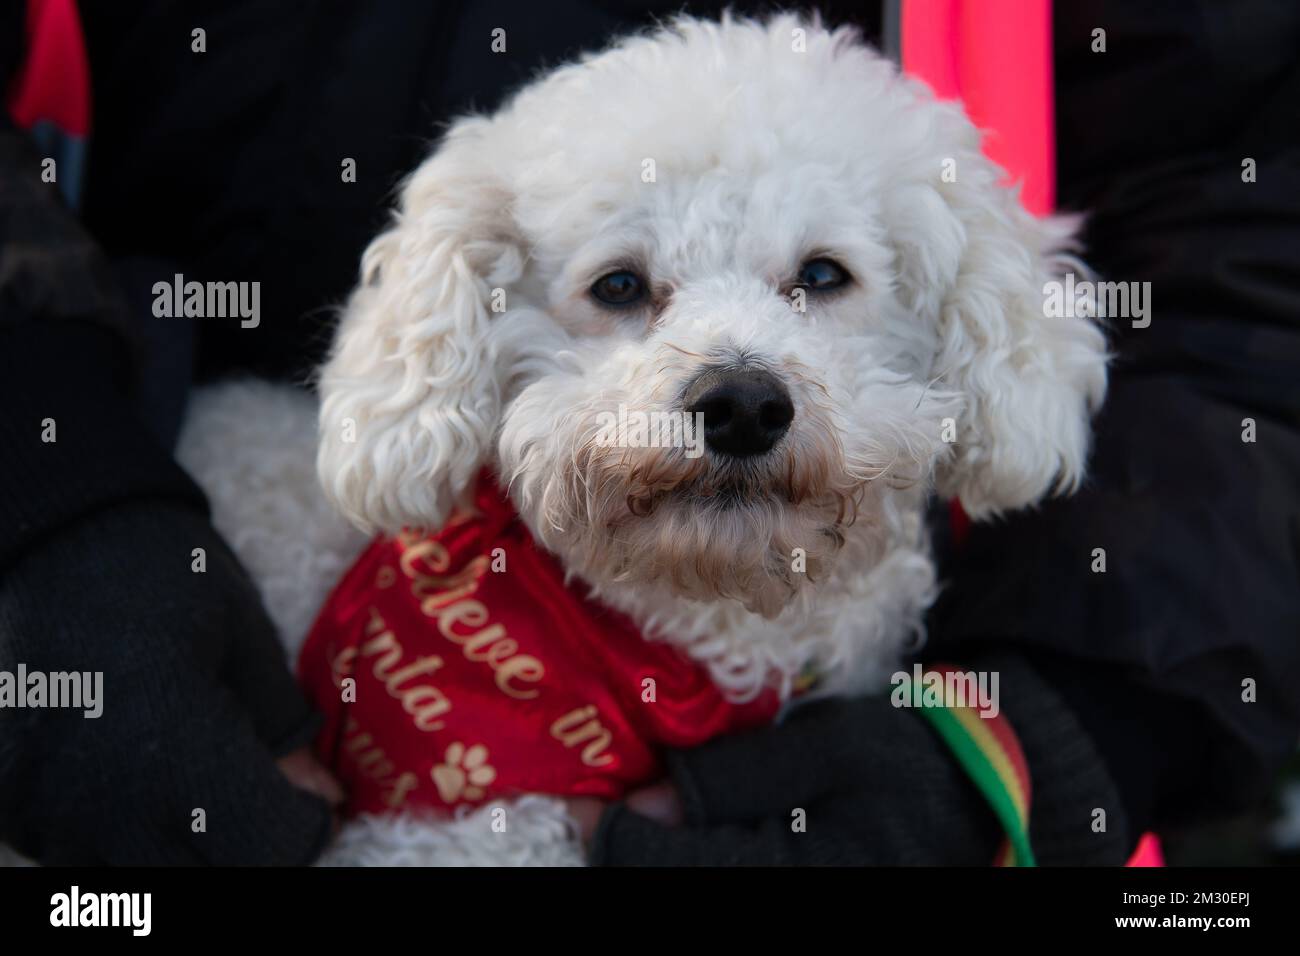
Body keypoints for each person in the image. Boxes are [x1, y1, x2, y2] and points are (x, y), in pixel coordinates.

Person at [1, 0, 1296, 866]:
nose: (736, 379)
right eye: (622, 291)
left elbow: (1254, 228)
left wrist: (1035, 742)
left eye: (823, 282)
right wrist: (42, 505)